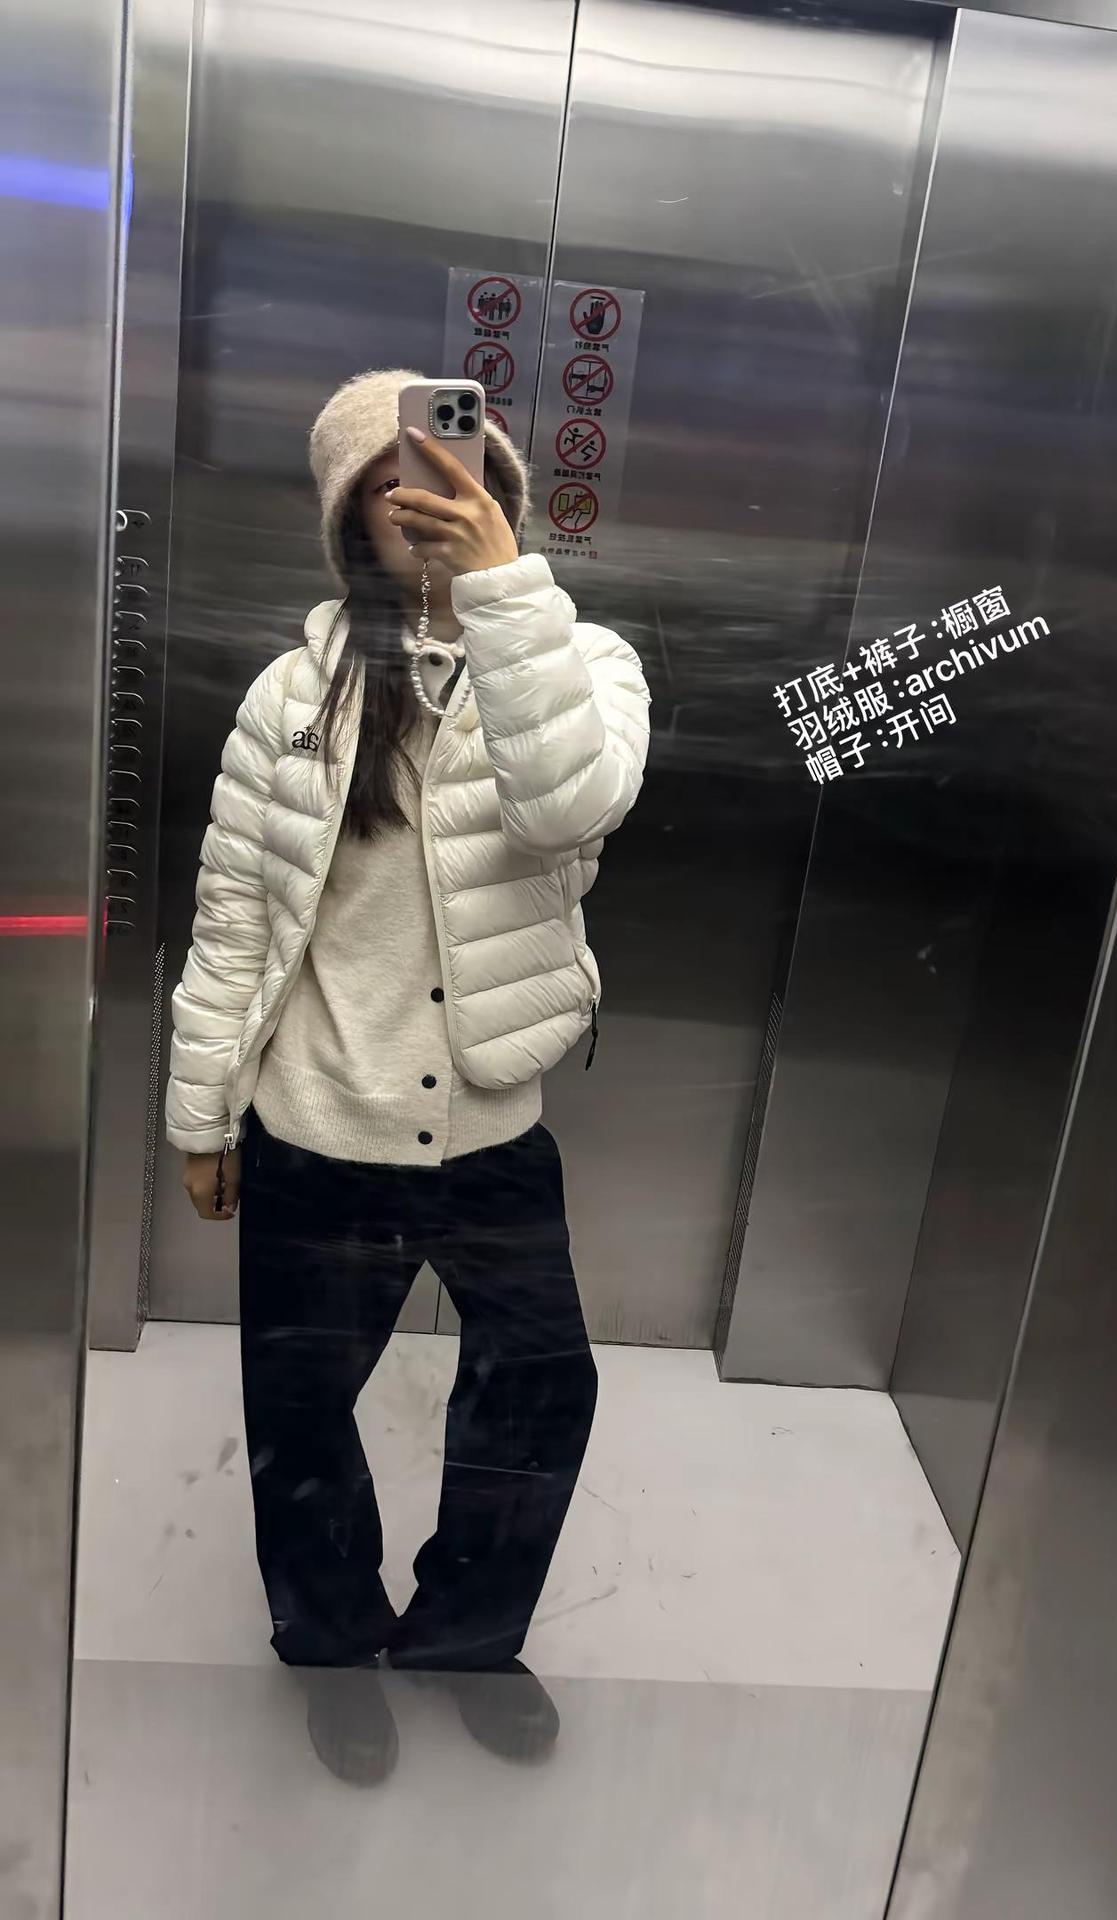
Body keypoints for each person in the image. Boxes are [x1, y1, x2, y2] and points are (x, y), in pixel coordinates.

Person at [164, 368, 651, 1784]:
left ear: (496, 490)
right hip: (319, 1124)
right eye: (387, 487)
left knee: (541, 1390)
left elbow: (570, 807)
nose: (422, 501)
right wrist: (201, 1116)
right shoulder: (290, 698)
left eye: (449, 473)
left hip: (491, 1126)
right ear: (346, 525)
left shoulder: (581, 661)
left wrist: (503, 595)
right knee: (300, 1413)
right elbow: (233, 919)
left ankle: (467, 1638)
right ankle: (329, 1643)